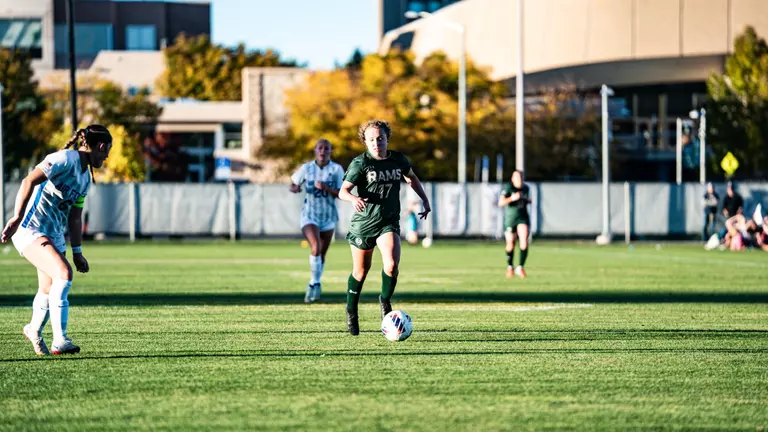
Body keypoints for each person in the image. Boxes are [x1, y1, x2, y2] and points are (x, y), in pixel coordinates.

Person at [1, 125, 112, 356]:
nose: (107, 156)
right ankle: (60, 340)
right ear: (101, 146)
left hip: (52, 234)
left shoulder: (84, 178)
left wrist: (78, 251)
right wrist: (16, 218)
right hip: (30, 228)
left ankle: (33, 329)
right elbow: (28, 181)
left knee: (47, 288)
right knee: (64, 272)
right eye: (107, 151)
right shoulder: (64, 159)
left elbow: (75, 216)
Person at [338, 120, 431, 336]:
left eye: (380, 138)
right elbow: (343, 191)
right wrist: (352, 198)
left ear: (387, 138)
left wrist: (425, 200)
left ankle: (385, 301)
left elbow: (412, 178)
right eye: (371, 139)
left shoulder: (398, 159)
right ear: (365, 142)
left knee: (391, 265)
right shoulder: (360, 163)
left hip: (388, 223)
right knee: (361, 271)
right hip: (363, 224)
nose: (376, 143)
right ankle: (351, 309)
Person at [289, 139, 345, 303]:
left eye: (326, 148)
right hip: (310, 214)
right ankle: (314, 284)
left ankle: (315, 281)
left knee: (322, 254)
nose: (322, 151)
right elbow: (293, 184)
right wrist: (296, 188)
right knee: (315, 247)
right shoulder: (307, 168)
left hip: (328, 216)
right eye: (320, 148)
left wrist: (327, 188)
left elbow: (342, 193)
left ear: (330, 151)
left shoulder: (336, 169)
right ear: (315, 150)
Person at [498, 170, 532, 278]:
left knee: (524, 241)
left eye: (521, 177)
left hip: (522, 217)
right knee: (510, 243)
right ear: (512, 179)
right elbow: (501, 202)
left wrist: (527, 200)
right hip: (511, 218)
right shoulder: (508, 188)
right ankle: (510, 267)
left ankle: (520, 267)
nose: (519, 179)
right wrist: (512, 198)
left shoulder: (526, 188)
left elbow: (527, 200)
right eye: (516, 177)